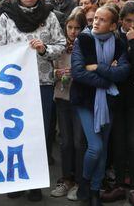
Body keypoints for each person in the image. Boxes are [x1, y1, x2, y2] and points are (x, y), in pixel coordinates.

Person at [0, 0, 66, 202]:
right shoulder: (6, 17)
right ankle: (15, 180)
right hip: (13, 88)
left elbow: (60, 45)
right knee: (14, 134)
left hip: (41, 84)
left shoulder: (49, 16)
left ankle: (35, 185)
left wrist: (44, 50)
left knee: (38, 135)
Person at [70, 5, 130, 206]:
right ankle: (85, 182)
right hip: (85, 100)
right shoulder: (84, 39)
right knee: (95, 147)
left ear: (113, 25)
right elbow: (78, 72)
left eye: (102, 20)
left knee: (103, 149)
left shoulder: (120, 45)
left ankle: (95, 191)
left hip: (109, 103)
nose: (96, 21)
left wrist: (98, 67)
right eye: (95, 18)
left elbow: (122, 73)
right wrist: (106, 79)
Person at [51, 11, 87, 201]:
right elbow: (49, 68)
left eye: (77, 28)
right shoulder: (60, 46)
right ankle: (66, 179)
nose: (73, 32)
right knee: (65, 142)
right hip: (62, 97)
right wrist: (56, 72)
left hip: (80, 99)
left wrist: (77, 72)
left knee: (79, 142)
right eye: (70, 27)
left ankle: (80, 181)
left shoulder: (88, 45)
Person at [118, 1, 134, 206]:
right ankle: (118, 184)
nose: (132, 26)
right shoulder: (114, 36)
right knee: (118, 142)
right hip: (116, 97)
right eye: (128, 21)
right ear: (121, 20)